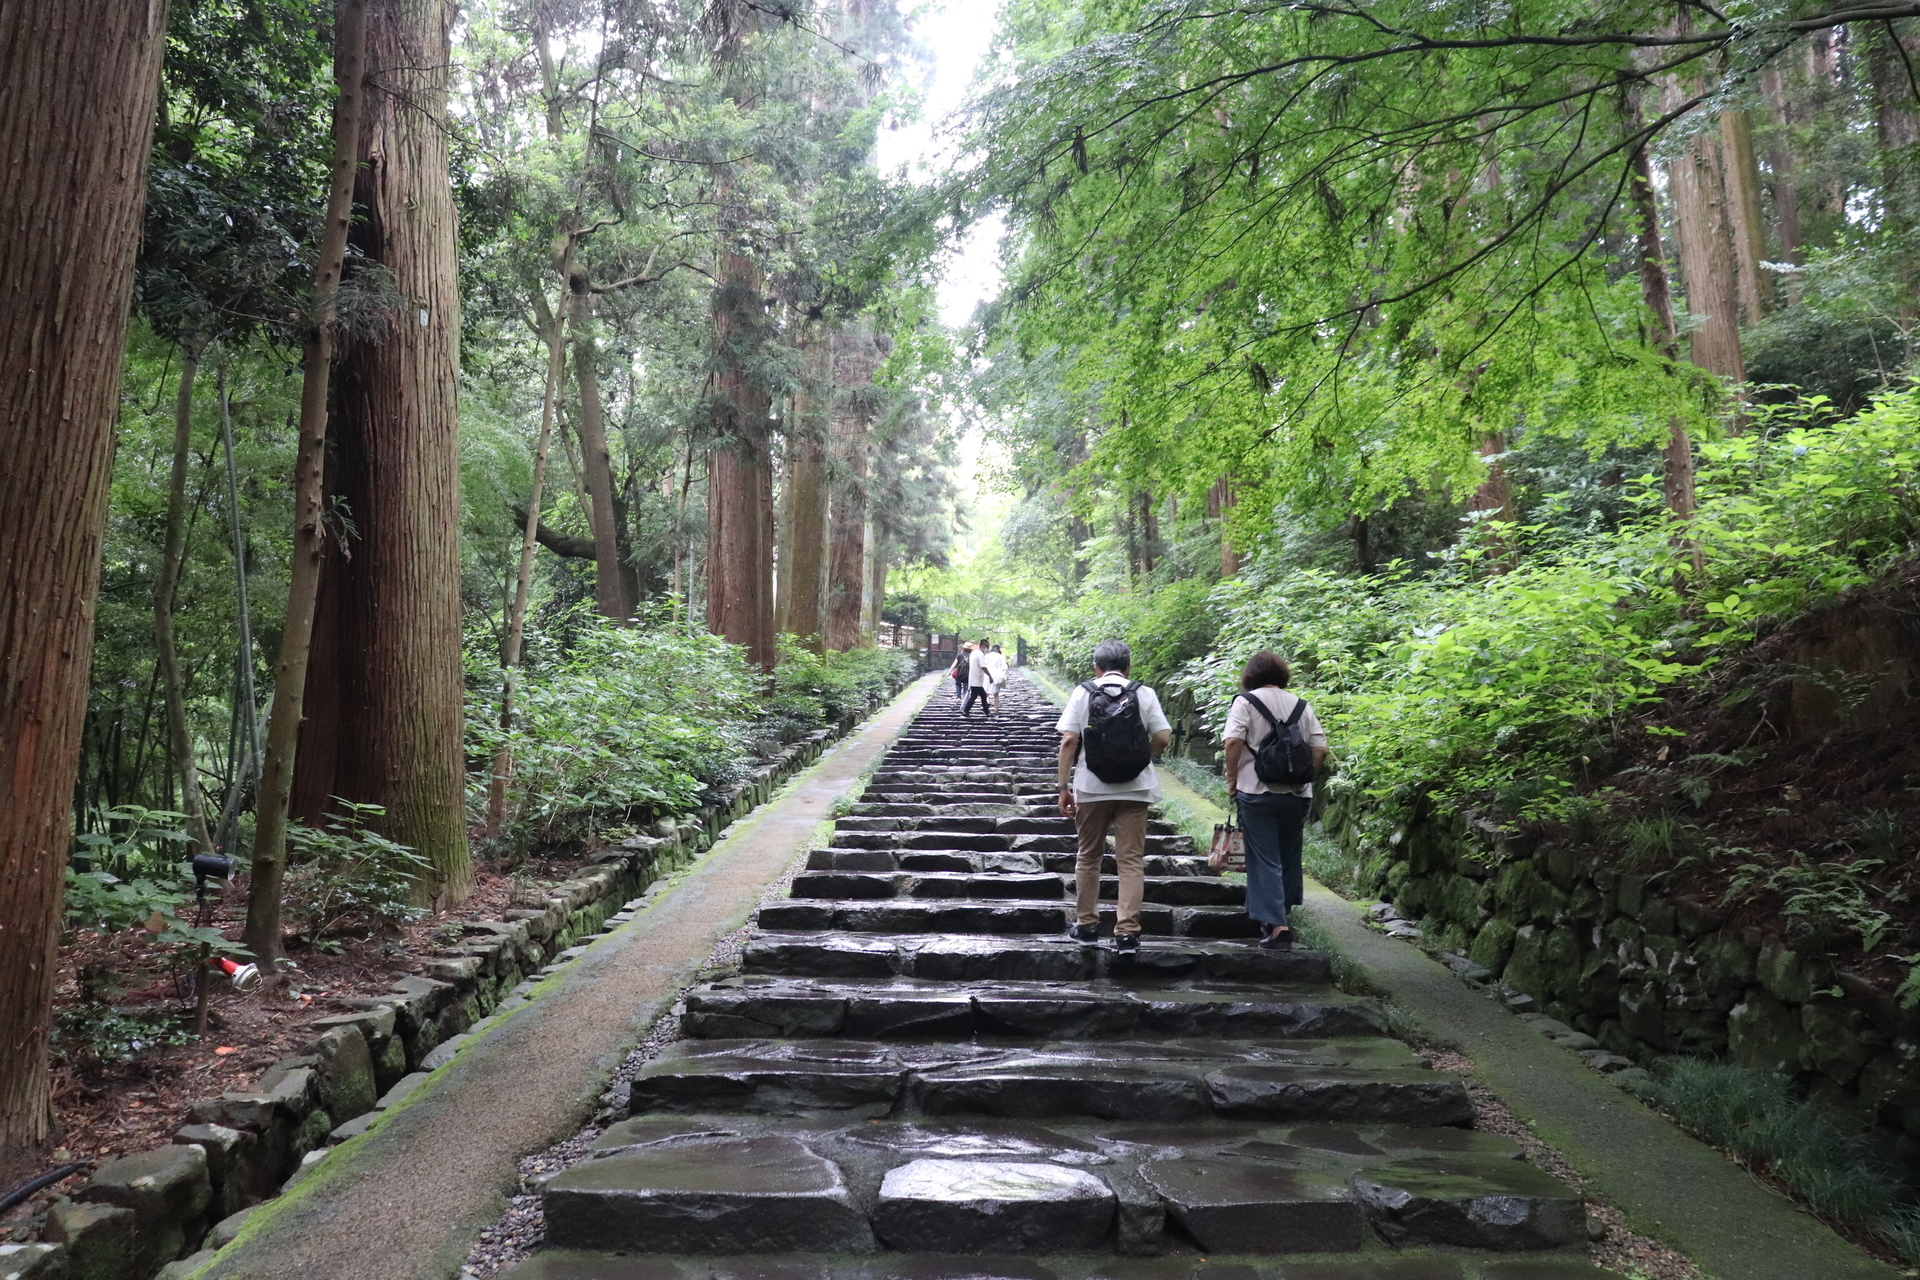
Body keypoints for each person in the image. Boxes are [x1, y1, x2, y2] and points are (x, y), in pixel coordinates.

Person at [1056, 639, 1171, 952]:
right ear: (1128, 667)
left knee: (1089, 856)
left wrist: (1064, 787)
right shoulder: (1143, 692)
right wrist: (1142, 758)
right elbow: (1163, 736)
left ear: (1096, 667)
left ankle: (1086, 926)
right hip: (1136, 789)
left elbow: (1069, 740)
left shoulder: (1084, 692)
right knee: (1131, 860)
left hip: (1092, 789)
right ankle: (1127, 933)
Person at [1222, 650, 1328, 951]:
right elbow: (1319, 750)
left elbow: (1232, 741)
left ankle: (1277, 925)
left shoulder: (1246, 702)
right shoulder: (1301, 706)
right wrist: (1303, 776)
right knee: (1288, 856)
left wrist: (1232, 777)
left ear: (1250, 676)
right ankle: (1282, 913)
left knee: (1264, 858)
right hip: (1297, 796)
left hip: (1256, 791)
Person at [962, 636, 993, 717]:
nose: (987, 649)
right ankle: (966, 710)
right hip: (977, 680)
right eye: (987, 647)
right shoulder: (980, 654)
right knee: (975, 697)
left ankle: (987, 712)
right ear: (983, 646)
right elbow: (983, 666)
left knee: (982, 696)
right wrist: (990, 676)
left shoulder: (974, 653)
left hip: (974, 678)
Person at [983, 643, 1010, 712]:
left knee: (986, 693)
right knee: (996, 694)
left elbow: (983, 665)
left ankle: (987, 704)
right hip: (996, 676)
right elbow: (1005, 667)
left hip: (987, 675)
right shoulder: (1000, 657)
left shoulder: (987, 656)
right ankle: (995, 709)